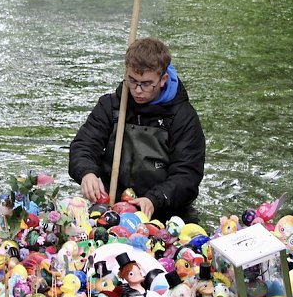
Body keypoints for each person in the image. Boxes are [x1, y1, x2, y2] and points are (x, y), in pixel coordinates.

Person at [68, 37, 205, 221]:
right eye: (132, 81)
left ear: (163, 79)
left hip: (163, 211)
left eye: (147, 83)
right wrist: (86, 172)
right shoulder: (110, 106)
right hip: (110, 206)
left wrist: (154, 199)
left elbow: (188, 174)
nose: (138, 90)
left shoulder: (183, 117)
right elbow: (83, 146)